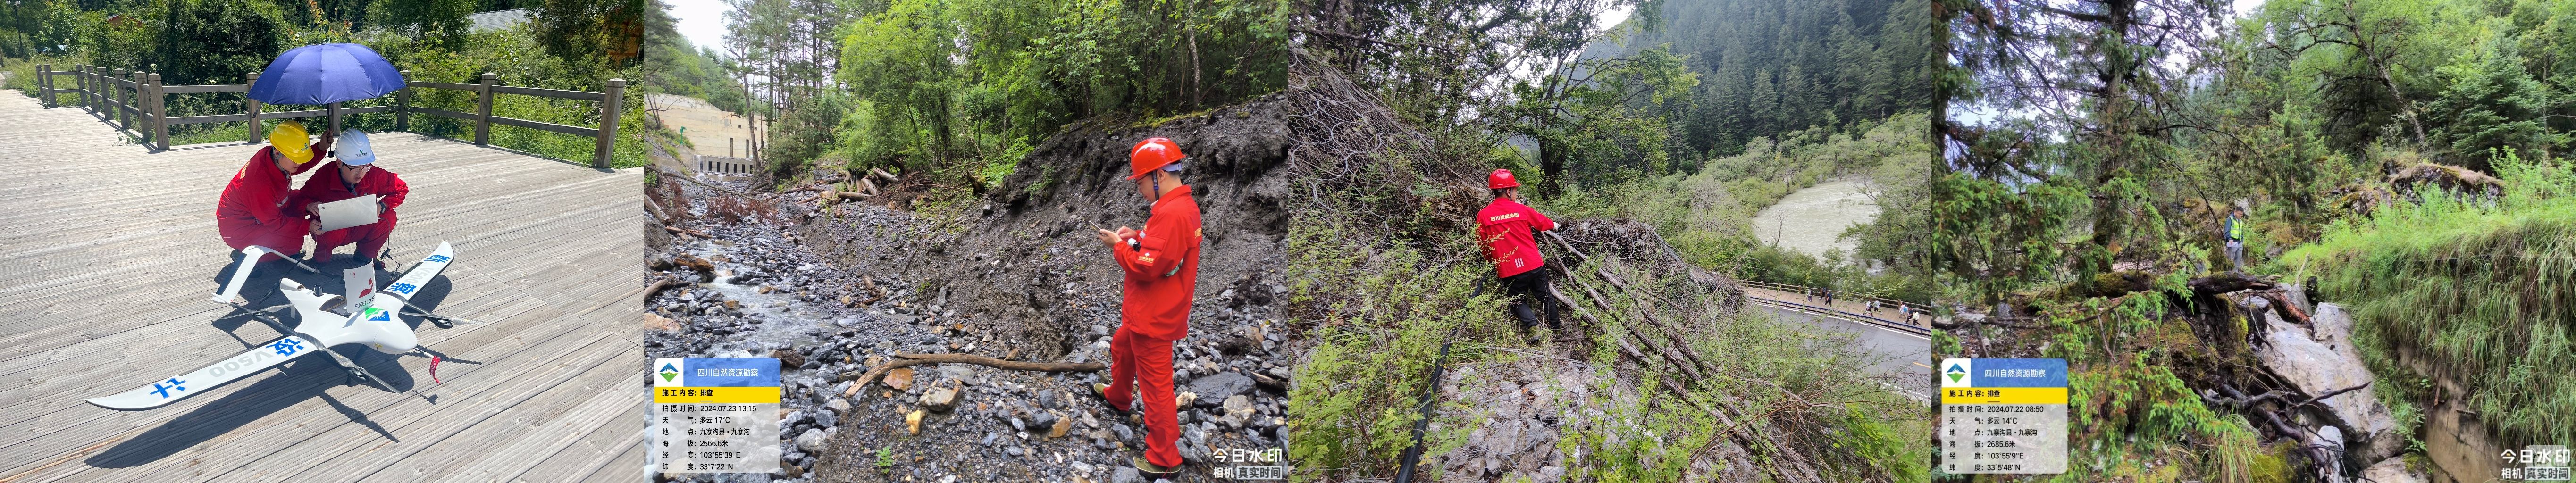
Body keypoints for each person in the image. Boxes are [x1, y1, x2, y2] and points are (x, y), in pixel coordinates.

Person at [1089, 137, 1202, 478]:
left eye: (1140, 181)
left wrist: (1118, 247)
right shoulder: (1177, 209)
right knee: (1122, 345)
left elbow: (1146, 267)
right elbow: (1160, 249)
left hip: (1154, 316)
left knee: (1156, 388)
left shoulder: (1172, 213)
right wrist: (1134, 236)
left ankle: (1164, 458)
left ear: (1159, 176)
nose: (1138, 188)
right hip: (1150, 311)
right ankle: (1118, 396)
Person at [217, 120, 330, 262]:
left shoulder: (273, 158)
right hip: (240, 229)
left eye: (301, 158)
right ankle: (244, 255)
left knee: (303, 199)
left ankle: (278, 247)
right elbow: (276, 223)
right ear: (277, 153)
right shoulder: (259, 183)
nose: (299, 163)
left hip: (261, 212)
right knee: (294, 243)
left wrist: (320, 148)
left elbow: (298, 164)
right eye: (296, 159)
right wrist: (307, 227)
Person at [296, 130, 408, 269]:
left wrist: (382, 206)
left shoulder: (373, 174)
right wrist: (309, 205)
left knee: (389, 216)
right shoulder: (325, 175)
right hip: (334, 231)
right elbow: (302, 196)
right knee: (322, 223)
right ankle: (320, 259)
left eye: (365, 167)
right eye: (354, 168)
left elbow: (401, 188)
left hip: (362, 225)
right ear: (339, 163)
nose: (360, 173)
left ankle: (366, 255)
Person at [1476, 169, 1563, 331]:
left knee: (1517, 299)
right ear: (1508, 191)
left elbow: (1484, 245)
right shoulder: (1522, 210)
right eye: (1515, 190)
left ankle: (1532, 326)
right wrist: (1555, 226)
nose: (1516, 194)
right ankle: (1556, 328)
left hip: (1508, 268)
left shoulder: (1483, 216)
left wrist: (1493, 262)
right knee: (1545, 296)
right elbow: (1543, 222)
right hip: (1533, 263)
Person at [2223, 205, 2247, 271]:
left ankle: (2235, 273)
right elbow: (2227, 231)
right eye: (2239, 214)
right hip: (2232, 242)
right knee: (2231, 259)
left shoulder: (2240, 221)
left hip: (2239, 242)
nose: (2240, 215)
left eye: (2242, 214)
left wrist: (2242, 240)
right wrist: (2230, 239)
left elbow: (2241, 232)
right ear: (2235, 212)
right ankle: (2229, 274)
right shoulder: (2230, 219)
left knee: (2239, 257)